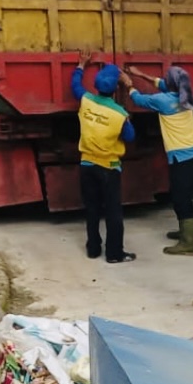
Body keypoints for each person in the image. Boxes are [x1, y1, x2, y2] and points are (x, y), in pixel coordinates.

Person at [126, 64, 193, 256]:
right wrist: (140, 74)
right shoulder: (185, 95)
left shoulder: (162, 101)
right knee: (185, 195)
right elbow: (161, 84)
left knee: (180, 197)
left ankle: (187, 244)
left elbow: (138, 99)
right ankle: (190, 233)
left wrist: (128, 84)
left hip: (180, 157)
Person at [72, 50, 136, 263]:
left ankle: (93, 249)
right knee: (113, 212)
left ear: (97, 86)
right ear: (115, 89)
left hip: (86, 165)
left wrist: (81, 65)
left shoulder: (86, 101)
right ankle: (114, 254)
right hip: (109, 168)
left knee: (91, 208)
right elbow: (130, 136)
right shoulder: (119, 114)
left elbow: (75, 86)